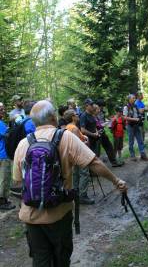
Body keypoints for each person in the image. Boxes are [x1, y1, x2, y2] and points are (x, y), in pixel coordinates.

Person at [13, 100, 127, 267]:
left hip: (31, 217)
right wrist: (116, 181)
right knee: (61, 258)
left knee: (40, 260)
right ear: (53, 117)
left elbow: (18, 180)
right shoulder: (65, 137)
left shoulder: (23, 144)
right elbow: (93, 163)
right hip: (59, 213)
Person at [123, 94, 148, 162]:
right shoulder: (126, 107)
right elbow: (125, 117)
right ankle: (132, 156)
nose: (134, 99)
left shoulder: (135, 106)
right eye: (133, 98)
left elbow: (139, 112)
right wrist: (134, 119)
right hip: (130, 126)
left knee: (140, 140)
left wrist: (145, 110)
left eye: (135, 98)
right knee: (131, 141)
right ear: (129, 99)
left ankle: (143, 155)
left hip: (136, 125)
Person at [0, 102, 16, 210]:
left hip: (2, 154)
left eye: (3, 109)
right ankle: (2, 201)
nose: (3, 111)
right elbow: (7, 136)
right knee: (4, 178)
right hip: (2, 155)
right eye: (1, 109)